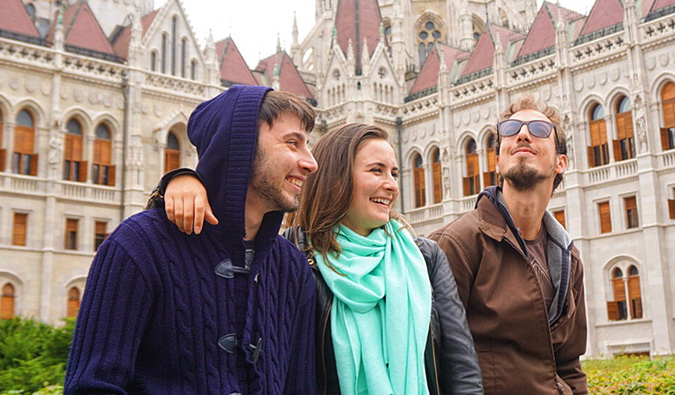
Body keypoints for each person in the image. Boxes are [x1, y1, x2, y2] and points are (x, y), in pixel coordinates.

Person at [153, 124, 484, 394]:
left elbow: (461, 369)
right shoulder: (287, 258)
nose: (391, 185)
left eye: (394, 173)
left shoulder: (424, 258)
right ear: (336, 179)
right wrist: (180, 180)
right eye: (376, 170)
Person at [64, 85, 319, 394]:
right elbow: (93, 387)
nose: (310, 163)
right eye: (293, 143)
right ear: (239, 146)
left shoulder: (292, 268)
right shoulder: (137, 247)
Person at [429, 96, 587, 395]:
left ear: (560, 163)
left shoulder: (570, 258)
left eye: (539, 129)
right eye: (511, 129)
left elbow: (569, 363)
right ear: (498, 162)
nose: (523, 134)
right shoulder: (457, 244)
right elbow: (434, 360)